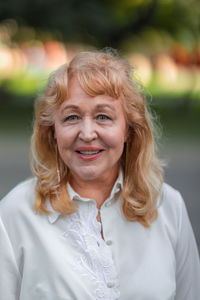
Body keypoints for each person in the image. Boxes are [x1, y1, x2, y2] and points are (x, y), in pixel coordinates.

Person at [0, 49, 199, 300]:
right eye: (71, 117)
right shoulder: (15, 215)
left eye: (103, 116)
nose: (87, 133)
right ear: (52, 132)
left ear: (129, 129)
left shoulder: (169, 207)